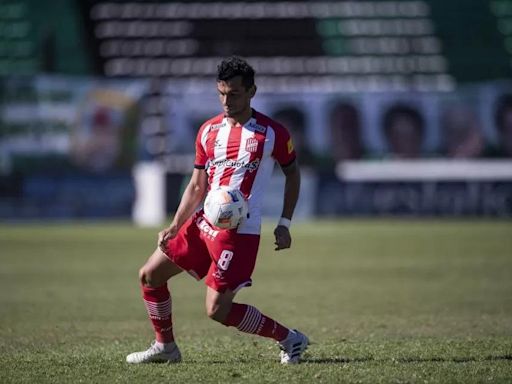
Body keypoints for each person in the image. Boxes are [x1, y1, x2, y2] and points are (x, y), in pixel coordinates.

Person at [126, 56, 309, 365]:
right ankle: (166, 347)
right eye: (222, 93)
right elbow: (197, 185)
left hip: (240, 233)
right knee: (150, 275)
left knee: (216, 310)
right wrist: (174, 226)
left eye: (234, 93)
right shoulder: (209, 131)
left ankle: (290, 339)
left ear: (251, 91)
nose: (226, 100)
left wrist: (285, 222)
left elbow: (292, 173)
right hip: (204, 223)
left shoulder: (272, 133)